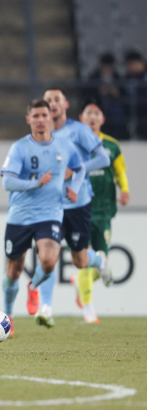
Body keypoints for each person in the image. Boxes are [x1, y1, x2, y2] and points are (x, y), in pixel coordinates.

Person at [1, 99, 85, 333]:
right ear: (28, 119)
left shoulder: (65, 146)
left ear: (51, 118)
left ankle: (33, 285)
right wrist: (36, 182)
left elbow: (80, 168)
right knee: (13, 271)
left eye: (43, 115)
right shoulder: (20, 148)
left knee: (48, 261)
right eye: (35, 116)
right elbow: (7, 181)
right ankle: (8, 314)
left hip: (50, 214)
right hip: (19, 216)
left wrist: (75, 188)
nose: (40, 120)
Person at [36, 88, 111, 326]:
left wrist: (76, 170)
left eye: (57, 99)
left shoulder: (78, 130)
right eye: (49, 100)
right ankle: (45, 308)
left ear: (65, 104)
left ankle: (98, 261)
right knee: (49, 256)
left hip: (78, 202)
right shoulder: (40, 135)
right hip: (51, 204)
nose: (53, 104)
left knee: (79, 261)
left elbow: (103, 159)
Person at [70, 99, 130, 323]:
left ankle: (79, 282)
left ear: (102, 119)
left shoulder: (112, 146)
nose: (93, 117)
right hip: (80, 208)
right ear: (81, 118)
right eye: (89, 113)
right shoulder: (74, 145)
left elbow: (120, 171)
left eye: (97, 113)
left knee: (100, 257)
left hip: (104, 210)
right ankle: (88, 310)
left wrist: (124, 189)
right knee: (84, 257)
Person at [85, 52, 128, 139]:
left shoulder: (117, 77)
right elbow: (87, 93)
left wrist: (117, 93)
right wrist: (99, 92)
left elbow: (124, 94)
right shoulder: (93, 77)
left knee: (118, 113)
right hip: (98, 105)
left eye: (109, 67)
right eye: (105, 66)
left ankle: (117, 137)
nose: (107, 69)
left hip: (114, 105)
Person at [123, 49, 147, 139]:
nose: (133, 67)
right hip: (131, 111)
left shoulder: (144, 78)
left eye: (135, 64)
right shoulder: (125, 79)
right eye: (130, 64)